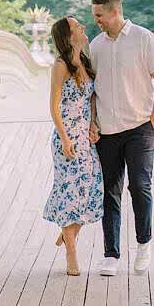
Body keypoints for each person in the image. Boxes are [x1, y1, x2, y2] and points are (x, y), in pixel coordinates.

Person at [89, 0, 154, 276]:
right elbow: (90, 90)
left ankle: (144, 244)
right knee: (109, 192)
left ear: (114, 13)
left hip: (140, 128)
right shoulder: (95, 46)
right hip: (107, 132)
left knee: (139, 186)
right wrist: (93, 121)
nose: (95, 20)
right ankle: (111, 254)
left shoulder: (143, 38)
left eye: (98, 15)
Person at [43, 15, 104, 275]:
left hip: (84, 137)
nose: (82, 26)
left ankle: (67, 233)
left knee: (92, 188)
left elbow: (90, 99)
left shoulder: (85, 61)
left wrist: (93, 125)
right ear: (68, 36)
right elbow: (54, 107)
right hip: (66, 140)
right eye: (76, 26)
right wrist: (66, 139)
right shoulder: (61, 65)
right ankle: (71, 251)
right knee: (70, 191)